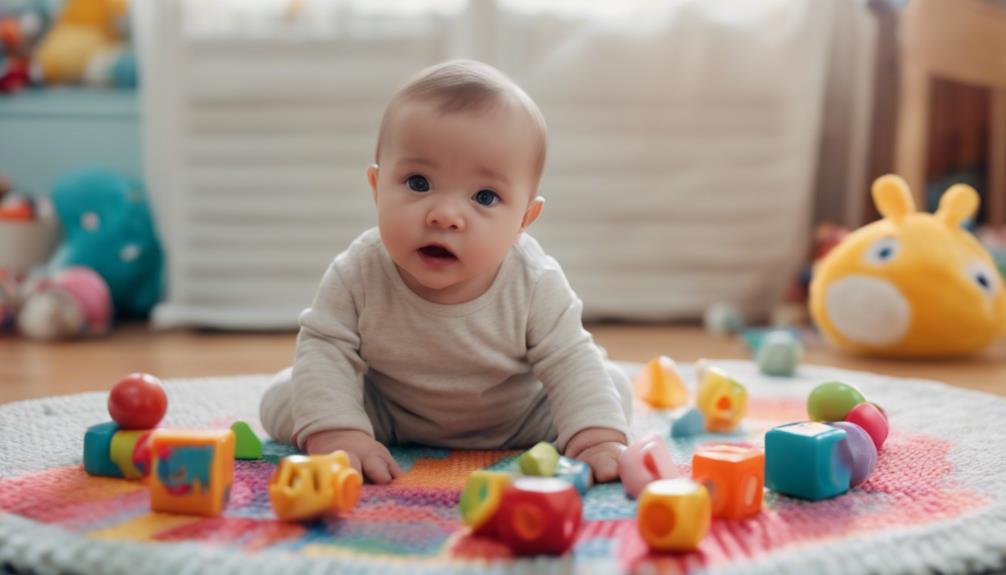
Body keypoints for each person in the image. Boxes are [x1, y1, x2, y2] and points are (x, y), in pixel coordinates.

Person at [260, 59, 632, 485]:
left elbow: (569, 358)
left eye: (485, 196)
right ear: (376, 188)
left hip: (520, 420)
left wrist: (596, 437)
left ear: (524, 221)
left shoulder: (535, 281)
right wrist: (340, 430)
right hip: (390, 414)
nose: (445, 215)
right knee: (287, 397)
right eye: (419, 183)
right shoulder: (358, 271)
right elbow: (326, 346)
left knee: (609, 390)